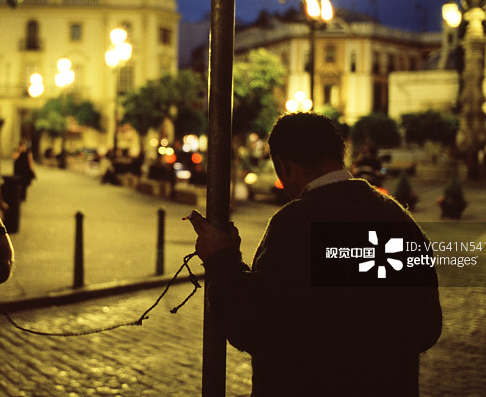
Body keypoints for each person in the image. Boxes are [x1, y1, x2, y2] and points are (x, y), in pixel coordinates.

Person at [188, 112, 442, 396]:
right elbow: (428, 327)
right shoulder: (398, 219)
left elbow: (253, 324)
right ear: (338, 154)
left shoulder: (297, 223)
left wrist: (222, 258)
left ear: (283, 165)